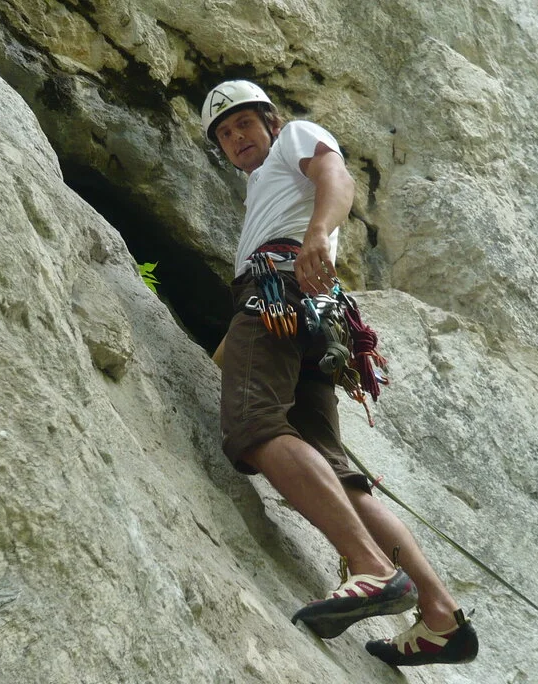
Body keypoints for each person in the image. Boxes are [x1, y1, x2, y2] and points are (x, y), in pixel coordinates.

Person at [201, 80, 478, 667]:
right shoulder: (264, 187)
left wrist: (314, 237)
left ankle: (371, 567)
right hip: (305, 310)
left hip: (279, 289)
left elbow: (337, 177)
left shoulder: (295, 139)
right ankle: (439, 616)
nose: (236, 137)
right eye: (224, 133)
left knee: (254, 423)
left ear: (271, 122)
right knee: (338, 474)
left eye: (244, 122)